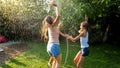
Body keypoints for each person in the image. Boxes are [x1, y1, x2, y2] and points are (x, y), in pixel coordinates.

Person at [41, 2, 67, 68]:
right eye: (52, 17)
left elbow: (56, 32)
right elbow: (58, 16)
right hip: (54, 46)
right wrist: (57, 6)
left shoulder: (50, 27)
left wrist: (59, 27)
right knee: (58, 64)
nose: (53, 16)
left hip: (49, 47)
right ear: (52, 20)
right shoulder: (54, 25)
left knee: (55, 62)